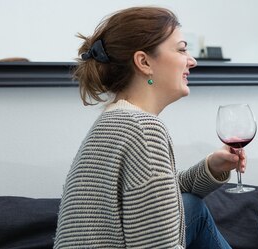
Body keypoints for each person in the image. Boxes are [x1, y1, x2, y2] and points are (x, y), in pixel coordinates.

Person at [54, 7, 240, 249]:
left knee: (191, 206)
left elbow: (158, 198)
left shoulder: (116, 119)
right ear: (143, 62)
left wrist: (212, 167)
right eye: (182, 49)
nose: (191, 61)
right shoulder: (143, 129)